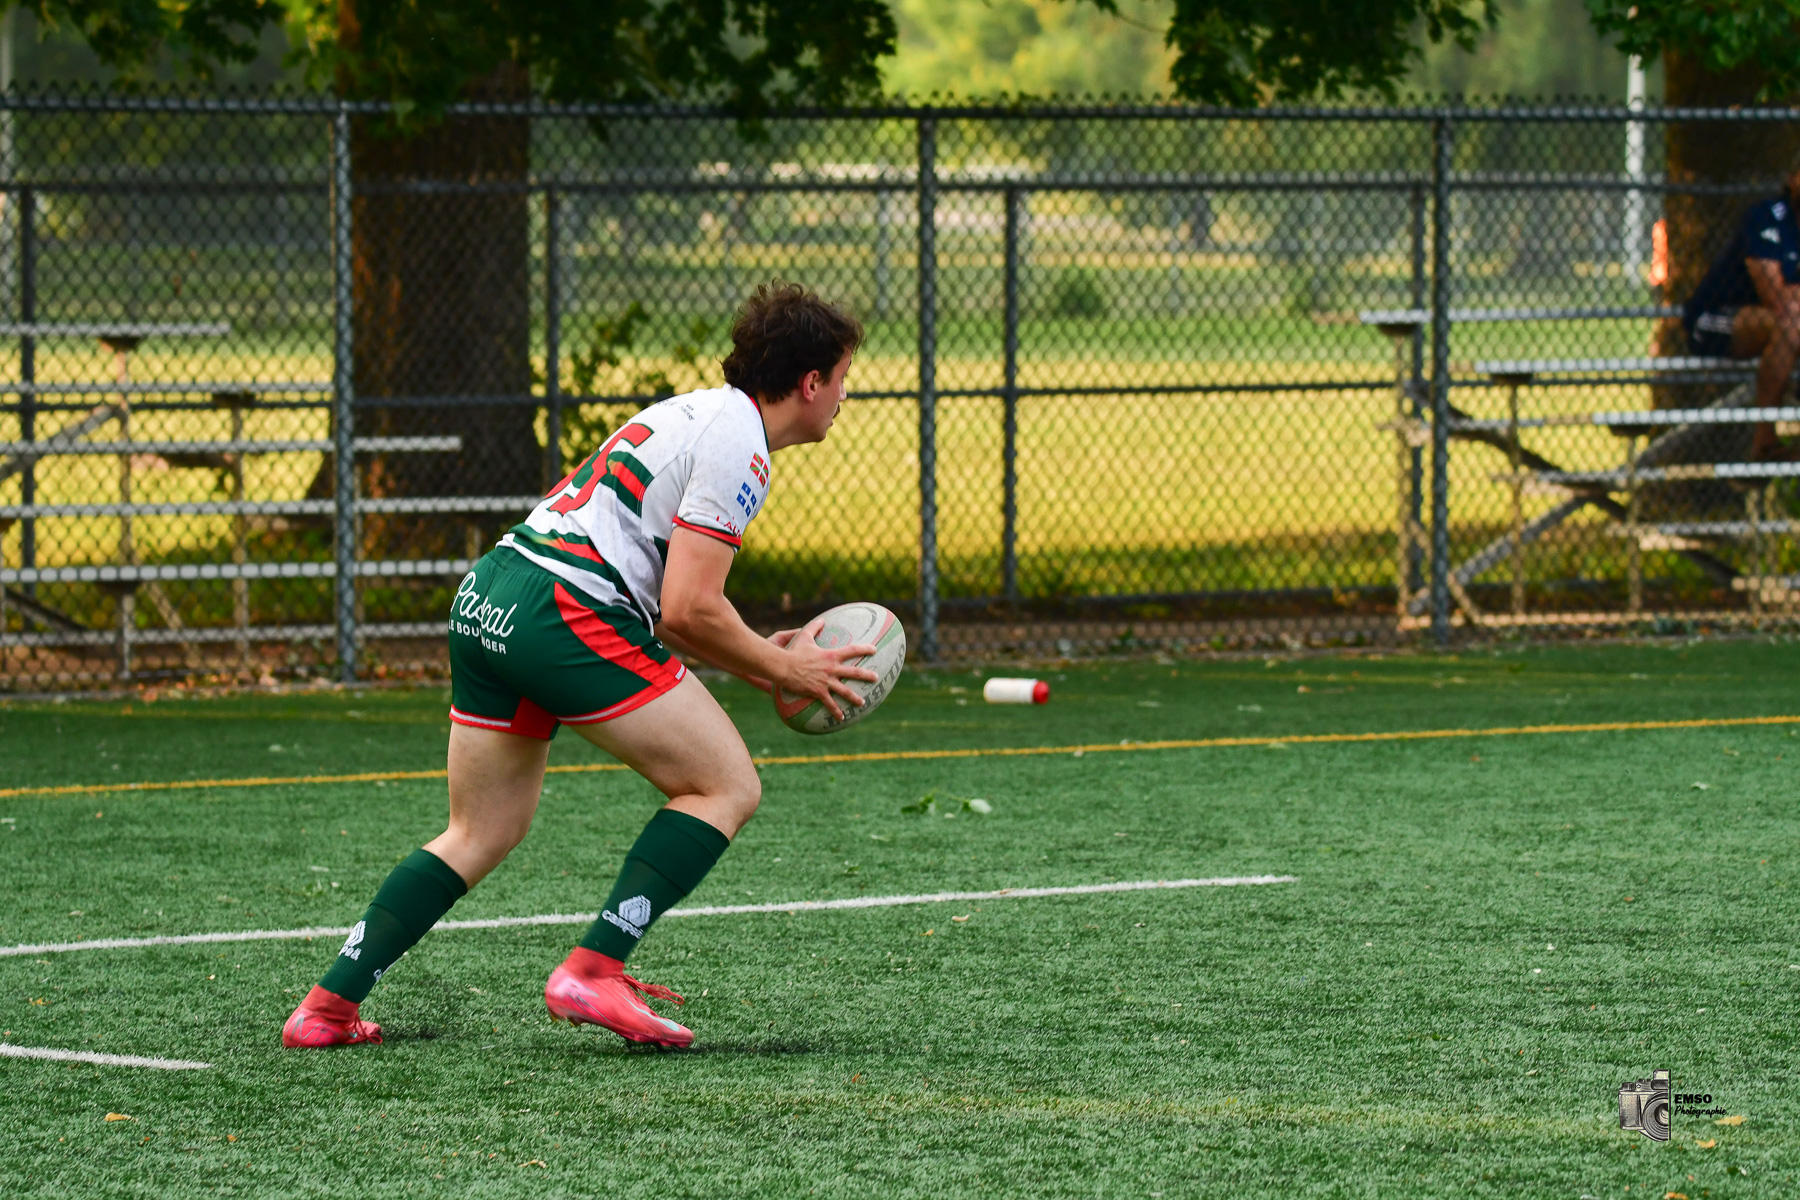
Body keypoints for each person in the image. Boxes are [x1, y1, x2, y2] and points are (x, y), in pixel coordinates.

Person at [282, 282, 878, 1050]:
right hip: (562, 613)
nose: (842, 399)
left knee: (481, 829)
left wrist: (767, 659)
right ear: (810, 382)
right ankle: (594, 970)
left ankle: (327, 1007)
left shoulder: (697, 411)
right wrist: (785, 671)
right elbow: (687, 611)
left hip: (493, 593)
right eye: (842, 381)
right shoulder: (743, 448)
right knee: (725, 785)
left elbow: (673, 597)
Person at [1682, 167, 1800, 459]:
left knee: (1792, 324)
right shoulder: (1766, 217)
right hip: (1715, 319)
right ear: (1791, 179)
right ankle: (1764, 442)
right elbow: (1776, 297)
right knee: (1790, 323)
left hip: (1787, 323)